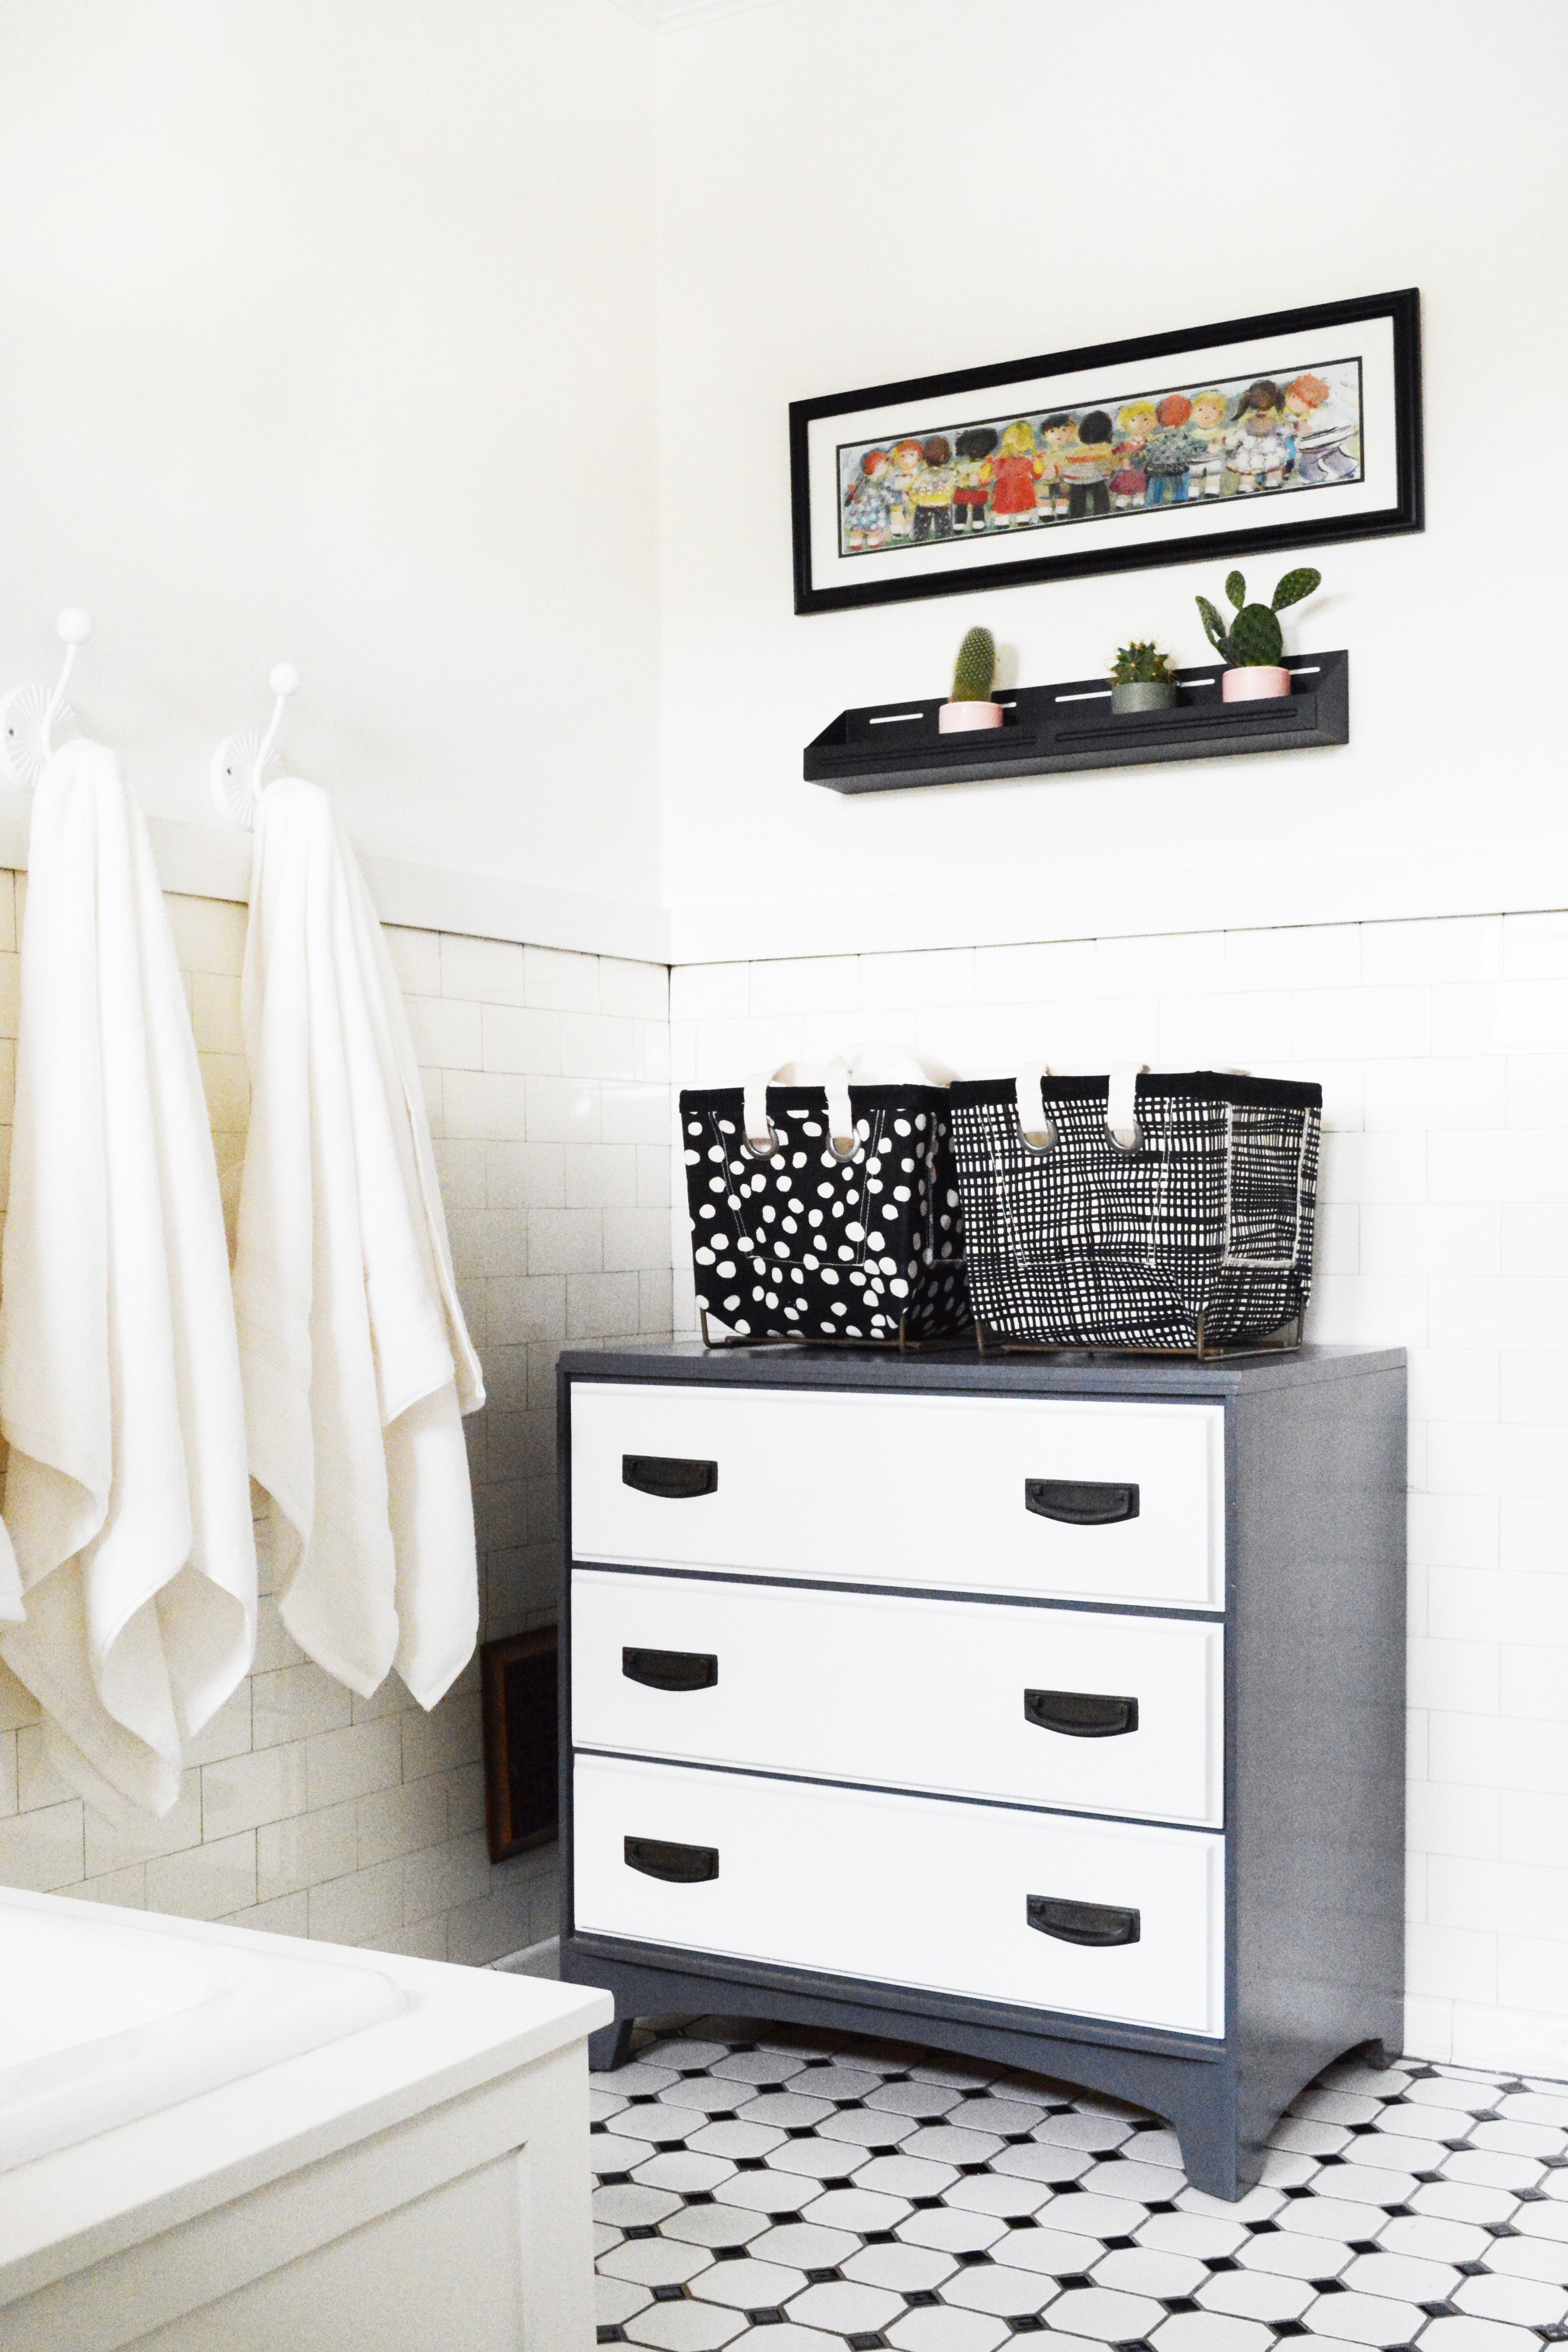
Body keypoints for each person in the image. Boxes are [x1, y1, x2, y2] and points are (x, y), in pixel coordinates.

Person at [1140, 391, 1204, 506]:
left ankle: (1151, 506)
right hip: (1179, 468)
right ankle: (1181, 502)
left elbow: (1148, 451)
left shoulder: (1158, 437)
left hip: (1157, 469)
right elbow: (1196, 449)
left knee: (1155, 493)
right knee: (1180, 491)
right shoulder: (1184, 435)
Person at [1062, 409, 1116, 520]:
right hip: (1080, 479)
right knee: (1079, 498)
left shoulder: (1105, 449)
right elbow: (1070, 462)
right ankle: (1078, 516)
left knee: (1100, 495)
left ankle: (1100, 515)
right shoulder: (1081, 450)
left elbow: (1108, 463)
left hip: (1095, 477)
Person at [988, 419, 1043, 527]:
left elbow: (1037, 475)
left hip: (1023, 490)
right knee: (1003, 515)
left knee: (1023, 516)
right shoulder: (1002, 460)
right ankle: (1003, 525)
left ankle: (1021, 523)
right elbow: (996, 473)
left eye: (1021, 450)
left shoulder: (1027, 460)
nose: (1018, 453)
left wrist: (1037, 462)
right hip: (1006, 490)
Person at [842, 448, 895, 550]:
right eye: (884, 465)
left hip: (860, 514)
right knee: (873, 531)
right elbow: (886, 495)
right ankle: (871, 544)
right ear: (876, 468)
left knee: (858, 529)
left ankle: (856, 544)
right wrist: (895, 499)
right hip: (874, 513)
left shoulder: (864, 482)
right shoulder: (877, 485)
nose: (887, 467)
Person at [908, 434, 957, 540]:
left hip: (924, 503)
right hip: (942, 503)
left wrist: (914, 498)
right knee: (944, 530)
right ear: (945, 456)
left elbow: (915, 489)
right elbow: (953, 487)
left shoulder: (923, 474)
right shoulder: (947, 473)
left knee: (921, 531)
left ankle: (921, 540)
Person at [951, 425, 998, 531]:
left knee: (978, 506)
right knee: (961, 506)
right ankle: (960, 522)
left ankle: (978, 521)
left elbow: (990, 477)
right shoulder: (961, 463)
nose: (975, 451)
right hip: (963, 489)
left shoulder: (987, 463)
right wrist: (964, 479)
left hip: (978, 490)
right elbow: (957, 474)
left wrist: (982, 478)